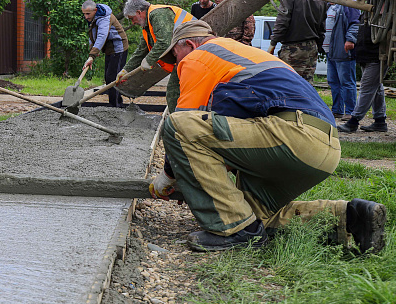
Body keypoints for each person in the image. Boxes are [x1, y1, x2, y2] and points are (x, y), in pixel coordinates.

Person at [149, 20, 386, 254]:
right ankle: (351, 217)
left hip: (293, 136)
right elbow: (222, 139)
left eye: (176, 56)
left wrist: (169, 177)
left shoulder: (198, 56)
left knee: (178, 125)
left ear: (189, 45)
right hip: (324, 147)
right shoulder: (247, 56)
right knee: (254, 217)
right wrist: (195, 177)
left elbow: (186, 122)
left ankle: (233, 232)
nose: (177, 64)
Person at [117, 0, 194, 112]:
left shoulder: (158, 14)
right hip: (186, 53)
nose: (133, 23)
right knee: (175, 91)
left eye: (132, 18)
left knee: (174, 92)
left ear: (139, 12)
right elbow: (141, 50)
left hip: (195, 50)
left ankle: (177, 122)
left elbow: (164, 43)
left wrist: (149, 60)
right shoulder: (147, 25)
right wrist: (126, 70)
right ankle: (178, 119)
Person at [338, 0, 388, 133]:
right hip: (366, 55)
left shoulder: (384, 8)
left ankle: (353, 122)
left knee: (366, 89)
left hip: (376, 56)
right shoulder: (367, 9)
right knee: (376, 89)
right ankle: (380, 121)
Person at [268, 0, 328, 83]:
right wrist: (318, 46)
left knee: (289, 83)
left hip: (294, 48)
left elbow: (282, 21)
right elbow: (322, 27)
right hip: (312, 47)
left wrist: (273, 43)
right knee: (307, 85)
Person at [81, 0, 129, 107]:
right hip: (109, 49)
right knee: (108, 78)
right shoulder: (93, 18)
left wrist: (92, 55)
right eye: (84, 14)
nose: (86, 17)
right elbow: (93, 36)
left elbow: (102, 36)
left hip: (118, 48)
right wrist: (92, 51)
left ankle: (115, 106)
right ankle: (116, 103)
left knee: (113, 78)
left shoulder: (104, 18)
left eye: (88, 14)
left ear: (95, 10)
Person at [323, 0, 360, 121]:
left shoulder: (348, 3)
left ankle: (350, 111)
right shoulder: (331, 5)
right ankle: (337, 110)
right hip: (330, 51)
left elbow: (356, 22)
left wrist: (350, 39)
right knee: (333, 81)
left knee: (346, 82)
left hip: (342, 49)